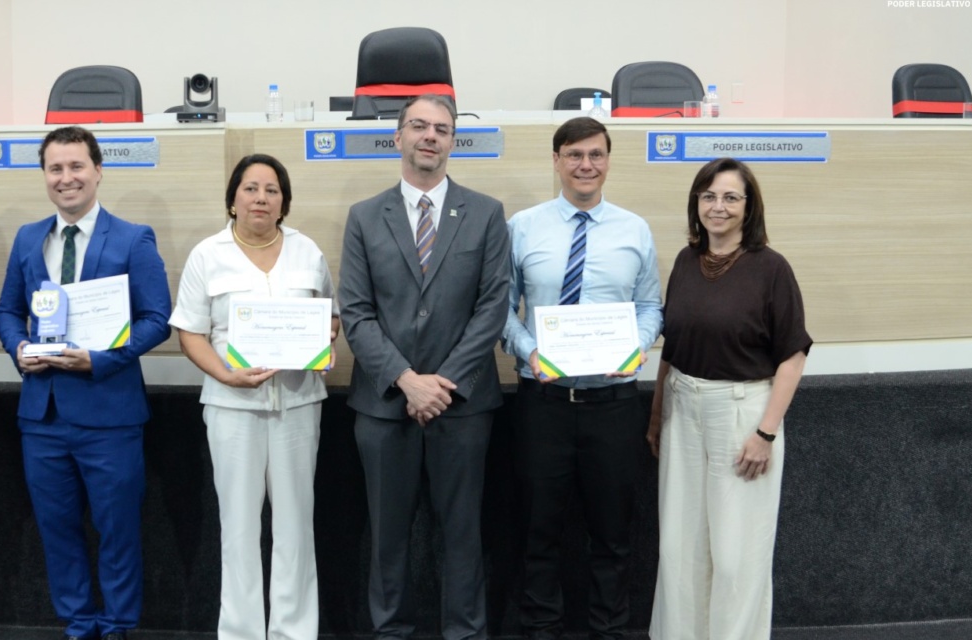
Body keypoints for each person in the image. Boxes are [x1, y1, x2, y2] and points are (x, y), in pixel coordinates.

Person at [339, 94, 511, 640]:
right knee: (388, 539)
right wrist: (407, 381)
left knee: (463, 535)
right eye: (418, 125)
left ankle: (465, 632)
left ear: (453, 141)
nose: (429, 136)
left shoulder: (485, 213)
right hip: (385, 405)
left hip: (462, 407)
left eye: (441, 128)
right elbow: (357, 311)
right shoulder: (365, 217)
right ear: (398, 137)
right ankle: (391, 632)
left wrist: (442, 385)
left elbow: (493, 307)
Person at [0, 126, 172, 640]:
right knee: (58, 530)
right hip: (42, 416)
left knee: (117, 532)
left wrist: (101, 360)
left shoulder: (133, 237)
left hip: (109, 413)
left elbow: (157, 319)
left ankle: (116, 627)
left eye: (76, 167)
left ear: (98, 170)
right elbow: (7, 310)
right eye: (55, 168)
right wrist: (18, 348)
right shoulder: (30, 238)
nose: (66, 178)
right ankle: (78, 623)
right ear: (44, 176)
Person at [501, 116, 662, 640]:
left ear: (608, 160)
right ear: (556, 161)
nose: (585, 165)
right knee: (537, 532)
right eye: (574, 155)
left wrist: (637, 348)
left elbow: (651, 307)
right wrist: (529, 353)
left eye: (595, 154)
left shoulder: (634, 229)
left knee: (614, 536)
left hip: (613, 404)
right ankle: (541, 630)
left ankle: (609, 631)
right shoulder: (522, 226)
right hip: (543, 403)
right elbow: (502, 310)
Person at [169, 153, 338, 640]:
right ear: (233, 199)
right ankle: (241, 633)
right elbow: (190, 333)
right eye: (250, 188)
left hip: (299, 404)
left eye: (272, 189)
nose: (261, 197)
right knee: (238, 529)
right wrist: (226, 375)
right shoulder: (208, 254)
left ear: (283, 202)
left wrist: (322, 342)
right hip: (232, 408)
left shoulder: (307, 252)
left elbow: (330, 316)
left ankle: (294, 632)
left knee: (295, 528)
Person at [647, 157, 810, 640]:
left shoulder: (771, 268)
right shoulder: (685, 260)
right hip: (682, 408)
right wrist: (657, 414)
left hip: (742, 416)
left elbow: (793, 355)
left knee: (737, 556)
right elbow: (671, 348)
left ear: (748, 206)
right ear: (696, 203)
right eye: (708, 196)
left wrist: (765, 433)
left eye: (730, 197)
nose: (717, 207)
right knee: (681, 550)